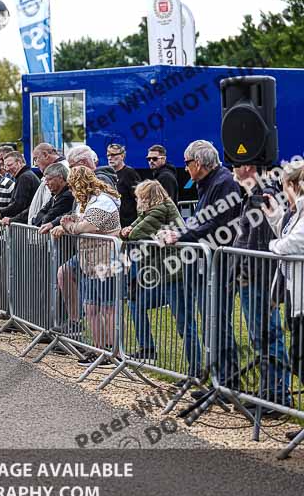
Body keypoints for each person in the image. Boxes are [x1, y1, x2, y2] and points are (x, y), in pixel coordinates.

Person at [157, 140, 241, 392]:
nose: (186, 168)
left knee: (218, 324)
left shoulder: (223, 182)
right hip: (207, 265)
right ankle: (217, 380)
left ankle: (227, 383)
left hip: (220, 265)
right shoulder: (208, 183)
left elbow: (217, 225)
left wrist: (179, 237)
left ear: (200, 163)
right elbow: (199, 220)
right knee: (210, 324)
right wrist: (177, 231)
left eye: (187, 163)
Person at [121, 181, 200, 376]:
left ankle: (196, 369)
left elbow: (135, 233)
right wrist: (127, 232)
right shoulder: (152, 211)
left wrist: (128, 232)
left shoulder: (159, 210)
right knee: (136, 302)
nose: (137, 201)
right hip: (161, 273)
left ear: (147, 197)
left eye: (140, 197)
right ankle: (148, 349)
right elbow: (129, 230)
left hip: (175, 273)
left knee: (184, 322)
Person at [231, 164, 291, 412]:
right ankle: (270, 391)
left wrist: (247, 273)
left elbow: (262, 242)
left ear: (248, 167)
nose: (231, 169)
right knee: (261, 338)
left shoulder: (263, 195)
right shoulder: (252, 195)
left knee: (268, 335)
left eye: (235, 164)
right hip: (253, 277)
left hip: (259, 278)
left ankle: (277, 395)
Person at [52, 166, 121, 365]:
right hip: (89, 261)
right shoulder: (86, 203)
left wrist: (67, 225)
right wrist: (69, 224)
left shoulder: (103, 201)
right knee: (91, 307)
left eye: (73, 188)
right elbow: (78, 222)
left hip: (107, 260)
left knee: (107, 308)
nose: (72, 193)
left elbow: (85, 227)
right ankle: (97, 349)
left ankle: (112, 350)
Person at [262, 161, 304, 440]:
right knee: (299, 358)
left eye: (284, 187)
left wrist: (272, 247)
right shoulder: (297, 211)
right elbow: (287, 235)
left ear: (293, 185)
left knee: (301, 358)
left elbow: (292, 244)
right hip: (295, 294)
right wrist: (276, 217)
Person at [0, 151, 40, 225]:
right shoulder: (24, 176)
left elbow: (19, 205)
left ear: (19, 162)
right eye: (5, 166)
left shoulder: (25, 177)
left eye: (10, 165)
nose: (7, 169)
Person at [6, 163, 73, 227]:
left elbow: (48, 218)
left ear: (60, 178)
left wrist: (40, 220)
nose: (46, 183)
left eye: (49, 179)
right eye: (45, 180)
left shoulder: (67, 196)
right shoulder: (55, 196)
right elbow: (41, 212)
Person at [106, 143, 140, 227]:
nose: (110, 158)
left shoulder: (130, 173)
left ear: (122, 156)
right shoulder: (108, 174)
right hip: (113, 221)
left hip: (128, 221)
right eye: (108, 155)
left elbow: (139, 198)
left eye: (114, 155)